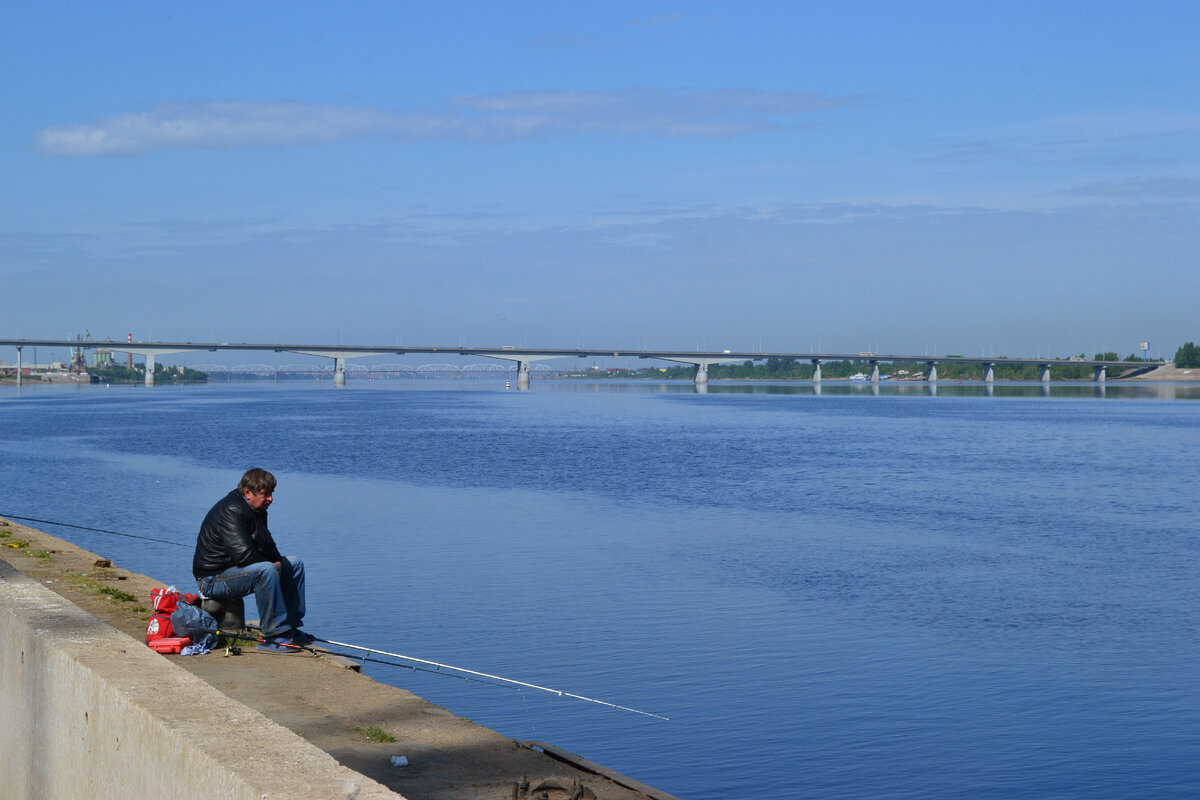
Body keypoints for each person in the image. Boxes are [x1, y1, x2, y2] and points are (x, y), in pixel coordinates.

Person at [192, 468, 311, 654]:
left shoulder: (256, 508)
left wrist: (277, 561)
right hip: (212, 579)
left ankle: (290, 629)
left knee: (294, 564)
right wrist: (273, 565)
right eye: (266, 494)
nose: (270, 499)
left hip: (235, 572)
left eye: (271, 494)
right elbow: (244, 556)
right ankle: (272, 636)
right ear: (248, 491)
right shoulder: (231, 510)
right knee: (266, 570)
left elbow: (266, 543)